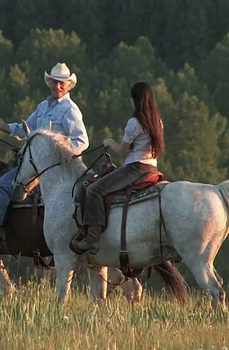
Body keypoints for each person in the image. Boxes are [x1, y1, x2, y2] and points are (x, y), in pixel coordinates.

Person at [0, 62, 89, 252]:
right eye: (55, 82)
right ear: (49, 83)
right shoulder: (43, 106)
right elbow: (24, 129)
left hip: (50, 168)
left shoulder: (70, 110)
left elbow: (81, 141)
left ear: (69, 85)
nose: (58, 86)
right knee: (2, 179)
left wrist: (57, 156)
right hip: (33, 162)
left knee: (3, 185)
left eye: (62, 83)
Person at [70, 81, 164, 255]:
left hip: (135, 168)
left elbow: (122, 150)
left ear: (135, 100)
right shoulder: (157, 122)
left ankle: (92, 238)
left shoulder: (135, 123)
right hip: (152, 168)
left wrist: (109, 142)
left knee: (94, 190)